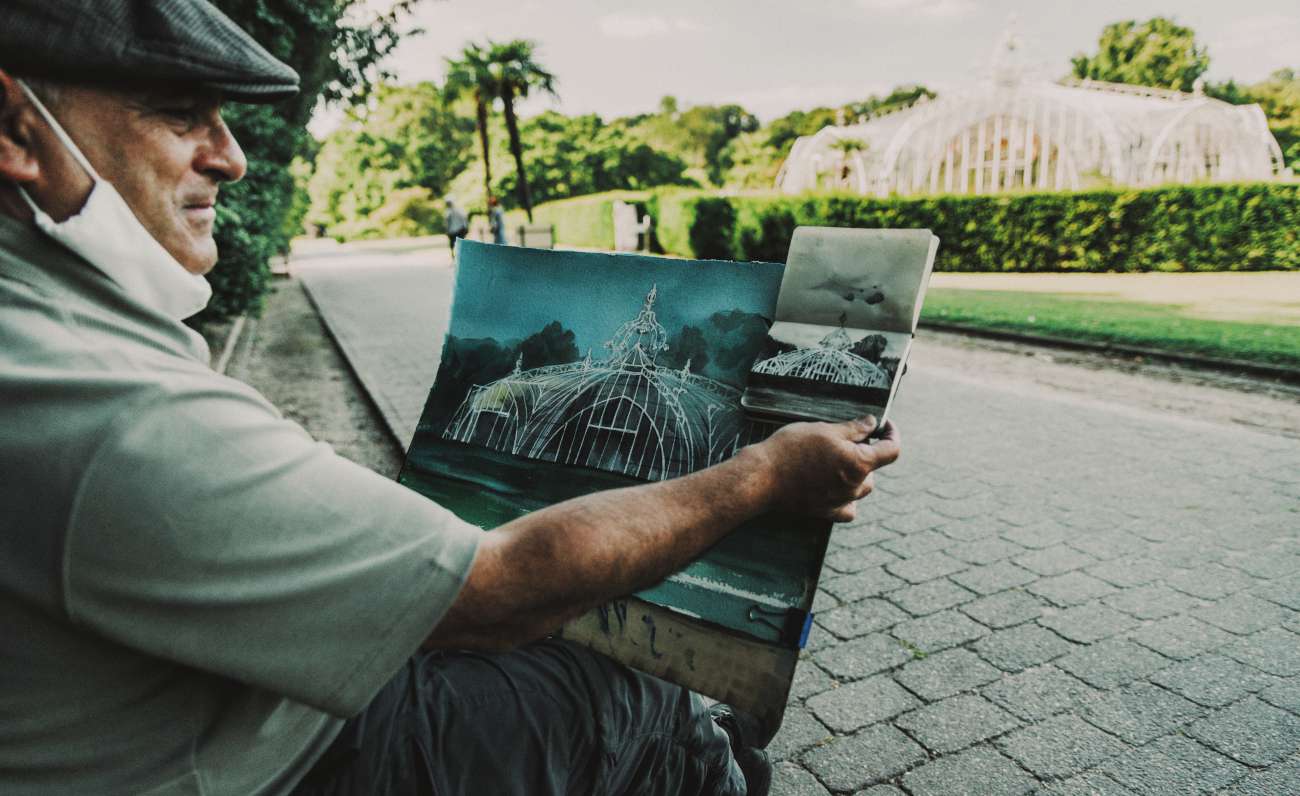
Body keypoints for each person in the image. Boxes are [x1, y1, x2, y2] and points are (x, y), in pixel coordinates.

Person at [0, 2, 901, 795]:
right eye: (177, 111)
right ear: (15, 128)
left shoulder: (49, 334)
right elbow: (497, 588)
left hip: (228, 709)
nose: (230, 157)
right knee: (636, 690)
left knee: (622, 683)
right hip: (270, 763)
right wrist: (761, 477)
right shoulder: (97, 400)